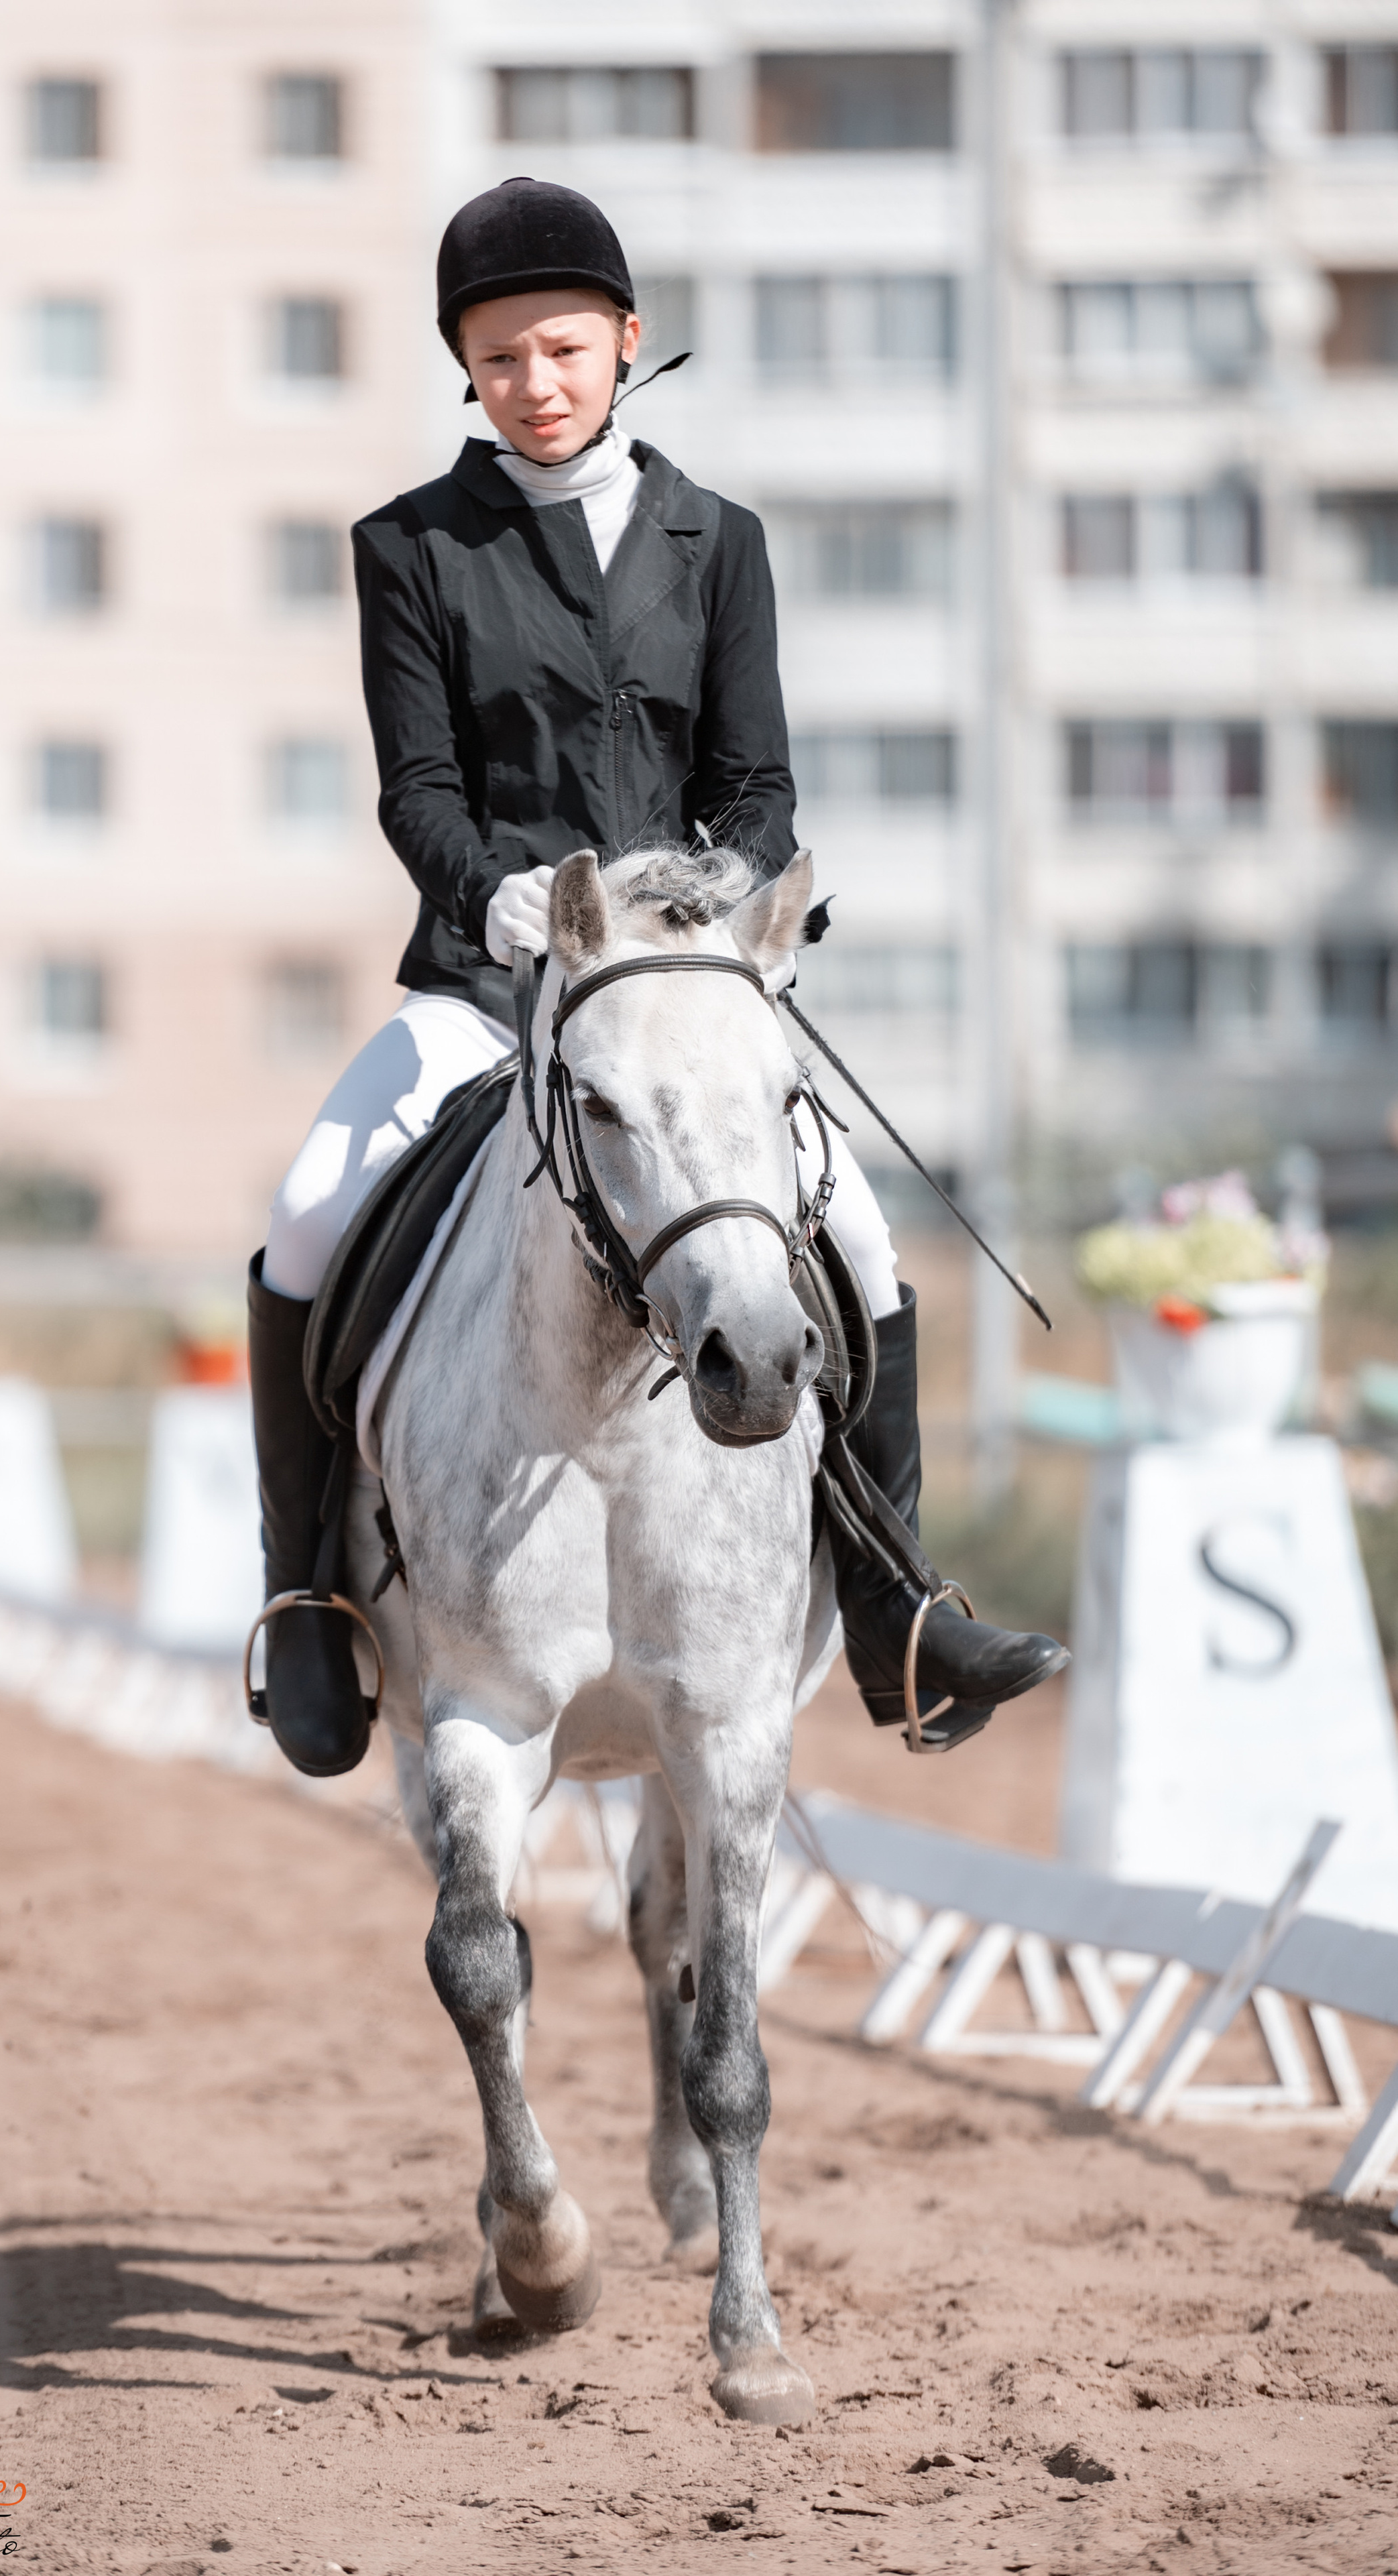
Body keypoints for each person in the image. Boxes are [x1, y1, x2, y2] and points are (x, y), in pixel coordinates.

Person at [247, 177, 1066, 1779]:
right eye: (496, 358)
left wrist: (733, 900)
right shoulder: (409, 546)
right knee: (305, 1216)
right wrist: (490, 900)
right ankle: (304, 1604)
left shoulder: (718, 542)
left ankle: (897, 1604)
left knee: (854, 1239)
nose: (531, 382)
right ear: (464, 370)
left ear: (625, 341)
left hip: (679, 1001)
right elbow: (417, 788)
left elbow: (754, 782)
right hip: (485, 989)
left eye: (559, 349)